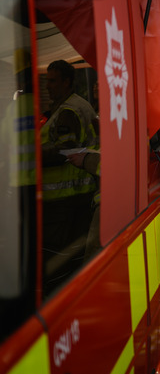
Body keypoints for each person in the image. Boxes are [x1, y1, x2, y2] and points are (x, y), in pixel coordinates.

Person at [41, 60, 99, 294]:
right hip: (76, 196)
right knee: (71, 255)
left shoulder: (68, 111)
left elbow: (66, 151)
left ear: (67, 82)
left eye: (53, 81)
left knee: (59, 259)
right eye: (47, 81)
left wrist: (33, 152)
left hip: (65, 199)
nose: (47, 87)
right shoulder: (73, 105)